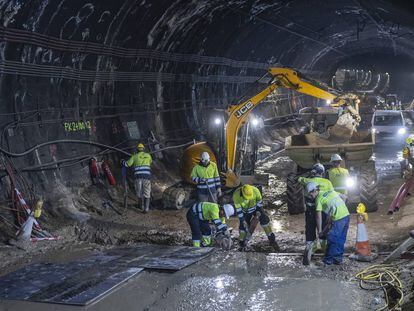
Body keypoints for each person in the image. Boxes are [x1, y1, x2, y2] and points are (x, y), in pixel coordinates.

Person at [306, 182, 350, 265]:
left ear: (314, 191)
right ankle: (337, 259)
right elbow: (344, 197)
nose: (310, 196)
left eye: (310, 194)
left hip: (338, 218)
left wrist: (319, 231)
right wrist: (337, 210)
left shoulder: (318, 199)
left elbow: (318, 217)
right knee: (340, 239)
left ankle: (327, 260)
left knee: (332, 238)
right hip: (346, 216)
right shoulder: (330, 192)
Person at [298, 163, 334, 264]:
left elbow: (299, 179)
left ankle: (310, 250)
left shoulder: (307, 180)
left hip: (310, 211)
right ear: (322, 172)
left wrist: (309, 175)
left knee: (310, 230)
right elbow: (331, 194)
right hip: (324, 211)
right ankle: (326, 252)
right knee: (323, 230)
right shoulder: (328, 182)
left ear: (314, 171)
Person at [233, 184, 279, 250]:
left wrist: (258, 213)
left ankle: (271, 239)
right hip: (245, 212)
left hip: (256, 208)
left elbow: (259, 203)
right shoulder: (236, 195)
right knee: (243, 227)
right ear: (242, 193)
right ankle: (242, 243)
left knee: (264, 221)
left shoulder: (256, 191)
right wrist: (242, 220)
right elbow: (239, 211)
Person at [122, 143, 152, 213]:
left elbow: (127, 164)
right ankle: (146, 209)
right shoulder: (148, 155)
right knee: (147, 192)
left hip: (138, 177)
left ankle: (141, 206)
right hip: (147, 177)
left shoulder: (134, 156)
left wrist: (122, 161)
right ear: (143, 149)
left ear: (137, 150)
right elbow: (150, 162)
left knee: (139, 192)